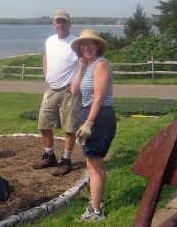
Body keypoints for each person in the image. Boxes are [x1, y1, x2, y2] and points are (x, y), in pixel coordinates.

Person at [70, 29, 116, 222]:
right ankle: (97, 202)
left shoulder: (101, 65)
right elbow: (73, 90)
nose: (86, 47)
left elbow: (99, 97)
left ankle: (95, 212)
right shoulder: (88, 66)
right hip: (92, 116)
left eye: (90, 43)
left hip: (99, 117)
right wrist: (80, 68)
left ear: (98, 46)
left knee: (93, 166)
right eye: (83, 44)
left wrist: (89, 123)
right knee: (96, 164)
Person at [32, 10, 81, 176]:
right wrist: (47, 76)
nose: (60, 25)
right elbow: (46, 57)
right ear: (54, 24)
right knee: (43, 124)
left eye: (63, 22)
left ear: (69, 24)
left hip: (69, 92)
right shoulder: (50, 41)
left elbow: (84, 64)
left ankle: (66, 161)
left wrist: (75, 82)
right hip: (51, 89)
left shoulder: (75, 43)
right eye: (57, 22)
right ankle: (49, 155)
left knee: (69, 127)